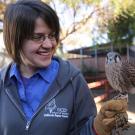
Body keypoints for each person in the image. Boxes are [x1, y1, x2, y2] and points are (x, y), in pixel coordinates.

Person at [0, 0, 128, 135]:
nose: (49, 44)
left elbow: (83, 130)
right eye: (38, 37)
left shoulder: (73, 80)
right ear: (15, 39)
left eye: (52, 35)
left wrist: (96, 128)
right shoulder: (2, 82)